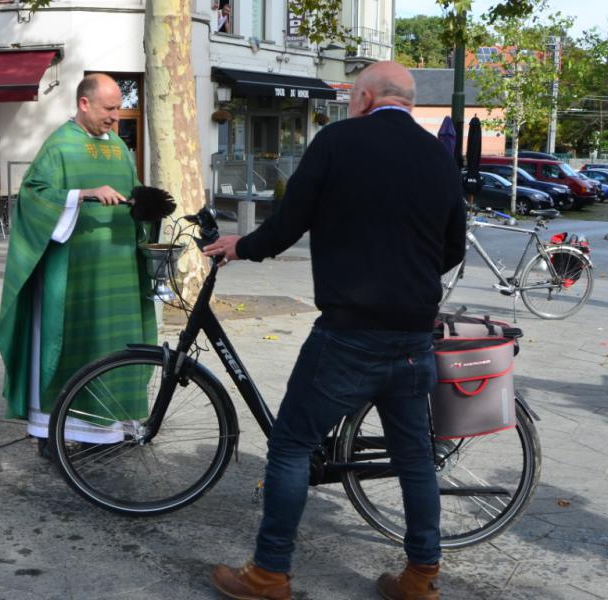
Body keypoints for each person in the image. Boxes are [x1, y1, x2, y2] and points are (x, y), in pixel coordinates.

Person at [203, 61, 466, 600]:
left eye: (352, 97)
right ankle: (421, 579)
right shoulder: (437, 156)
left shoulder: (338, 140)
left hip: (349, 330)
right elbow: (454, 246)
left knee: (293, 443)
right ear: (406, 101)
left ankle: (270, 574)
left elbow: (288, 221)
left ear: (366, 97)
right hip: (415, 332)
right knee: (414, 455)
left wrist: (241, 245)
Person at [0, 73, 156, 453]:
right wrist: (81, 194)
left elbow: (133, 194)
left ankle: (109, 431)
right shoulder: (60, 146)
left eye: (119, 107)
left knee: (115, 349)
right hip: (74, 276)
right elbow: (32, 197)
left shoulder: (119, 147)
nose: (117, 117)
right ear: (84, 104)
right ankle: (55, 431)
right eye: (110, 108)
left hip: (118, 274)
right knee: (72, 349)